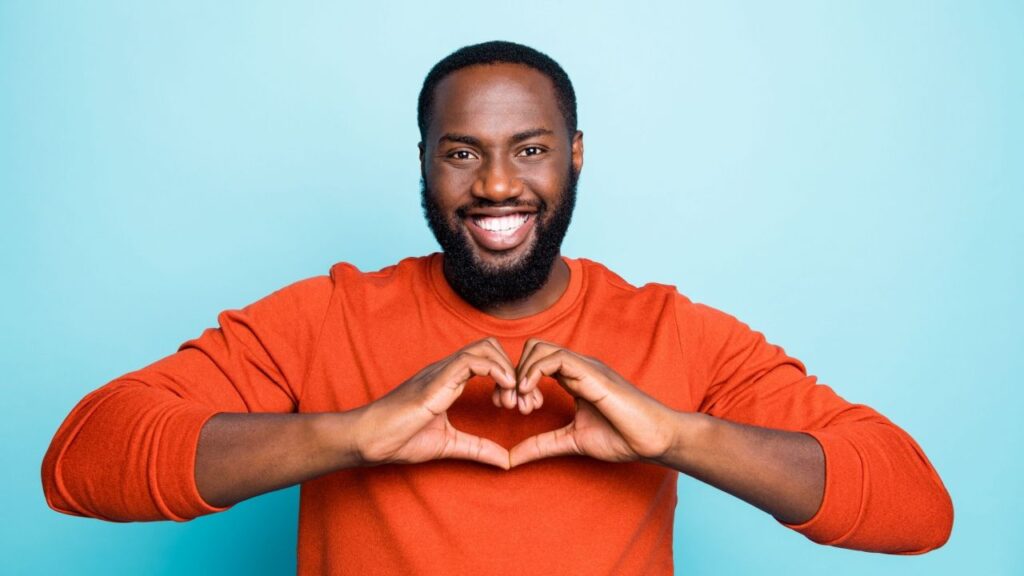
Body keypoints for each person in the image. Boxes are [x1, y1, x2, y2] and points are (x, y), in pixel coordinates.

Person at [42, 41, 953, 575]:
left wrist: (677, 436)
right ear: (425, 161)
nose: (498, 185)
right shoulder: (323, 317)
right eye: (462, 153)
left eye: (529, 149)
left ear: (577, 155)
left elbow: (917, 509)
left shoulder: (679, 332)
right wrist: (354, 433)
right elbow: (80, 463)